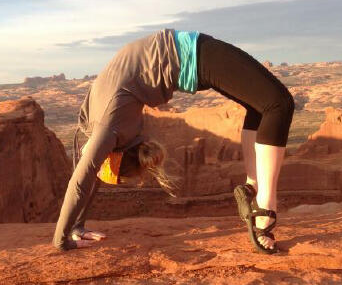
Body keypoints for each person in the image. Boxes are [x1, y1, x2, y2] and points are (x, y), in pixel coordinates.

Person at [52, 29, 294, 254]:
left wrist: (62, 239)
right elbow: (89, 174)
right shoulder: (104, 127)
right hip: (193, 52)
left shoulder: (109, 128)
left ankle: (254, 192)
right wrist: (77, 226)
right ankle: (263, 206)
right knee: (277, 104)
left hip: (192, 55)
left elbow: (82, 180)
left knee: (271, 106)